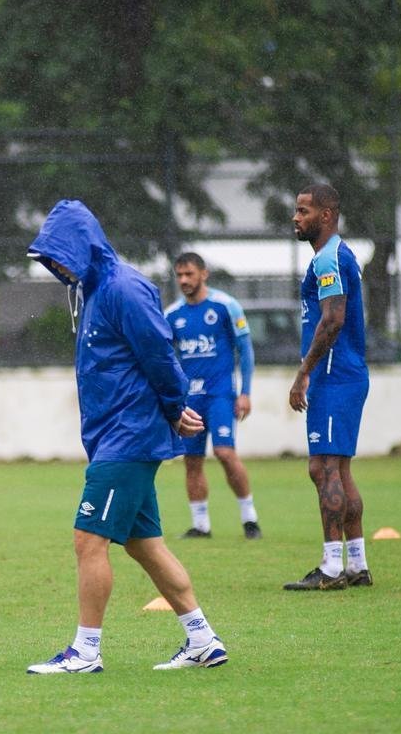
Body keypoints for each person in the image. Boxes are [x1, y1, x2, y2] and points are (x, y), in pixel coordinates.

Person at [24, 199, 228, 674]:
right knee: (144, 544)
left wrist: (176, 406)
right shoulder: (93, 289)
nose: (54, 264)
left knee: (87, 538)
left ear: (81, 245)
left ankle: (85, 652)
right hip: (112, 435)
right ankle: (202, 640)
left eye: (57, 253)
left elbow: (158, 350)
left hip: (129, 433)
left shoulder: (123, 287)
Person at [285, 183, 372, 591]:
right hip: (344, 374)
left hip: (334, 374)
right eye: (296, 211)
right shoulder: (336, 256)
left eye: (303, 211)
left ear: (326, 215)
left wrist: (305, 372)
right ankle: (356, 563)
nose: (296, 218)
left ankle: (331, 568)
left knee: (323, 468)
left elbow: (333, 319)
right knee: (338, 468)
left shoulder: (329, 260)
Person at [163, 252, 261, 540]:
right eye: (179, 275)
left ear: (203, 274)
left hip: (220, 393)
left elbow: (246, 351)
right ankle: (200, 525)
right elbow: (166, 358)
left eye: (189, 274)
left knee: (224, 453)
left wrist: (245, 392)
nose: (183, 280)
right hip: (189, 399)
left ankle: (249, 519)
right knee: (192, 460)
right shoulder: (172, 315)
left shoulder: (225, 306)